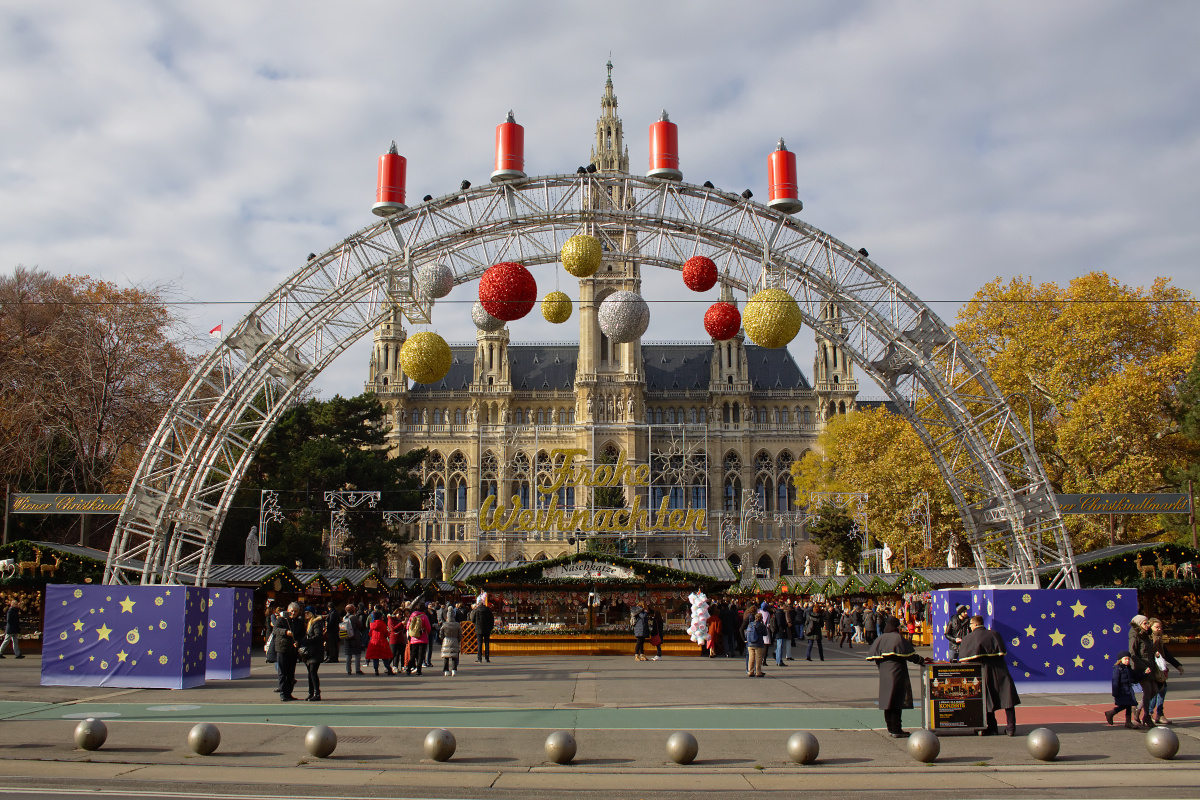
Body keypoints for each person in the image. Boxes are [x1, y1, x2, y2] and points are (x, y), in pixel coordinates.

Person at [957, 615, 1020, 735]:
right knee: (1008, 699)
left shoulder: (969, 638)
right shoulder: (994, 634)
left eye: (970, 624)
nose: (970, 626)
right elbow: (1002, 652)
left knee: (987, 699)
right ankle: (1011, 728)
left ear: (975, 625)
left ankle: (992, 727)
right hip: (1000, 670)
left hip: (984, 671)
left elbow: (965, 660)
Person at [866, 617, 924, 737]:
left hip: (884, 674)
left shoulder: (880, 638)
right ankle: (897, 729)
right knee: (897, 702)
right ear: (896, 626)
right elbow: (909, 655)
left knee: (887, 701)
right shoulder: (897, 638)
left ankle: (890, 728)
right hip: (897, 673)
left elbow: (874, 657)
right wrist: (921, 660)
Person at [1148, 618, 1184, 725]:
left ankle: (1159, 714)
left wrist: (1178, 665)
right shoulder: (1148, 639)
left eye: (1160, 627)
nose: (1159, 629)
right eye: (1156, 627)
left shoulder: (1159, 639)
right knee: (1155, 692)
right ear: (1150, 627)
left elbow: (1167, 654)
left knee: (1163, 690)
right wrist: (1153, 654)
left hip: (1160, 669)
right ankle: (1149, 713)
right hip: (1151, 669)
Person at [1128, 614, 1158, 727]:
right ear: (1139, 624)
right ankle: (1147, 716)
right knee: (1148, 690)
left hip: (1150, 666)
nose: (1147, 625)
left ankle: (1137, 710)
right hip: (1141, 668)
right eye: (1145, 623)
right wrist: (1144, 667)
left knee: (1155, 690)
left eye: (1147, 623)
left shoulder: (1146, 635)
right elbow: (1133, 654)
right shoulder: (1135, 635)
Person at [273, 602, 305, 701]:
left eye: (295, 611)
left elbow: (302, 635)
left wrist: (298, 642)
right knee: (283, 672)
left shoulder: (299, 622)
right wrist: (285, 632)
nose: (293, 613)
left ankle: (289, 693)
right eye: (292, 611)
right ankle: (283, 693)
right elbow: (276, 630)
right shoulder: (281, 620)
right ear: (288, 610)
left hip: (292, 650)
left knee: (291, 673)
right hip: (282, 648)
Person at [1105, 651, 1140, 728]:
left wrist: (1144, 674)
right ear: (1120, 660)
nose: (1127, 661)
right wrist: (1115, 693)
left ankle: (1128, 722)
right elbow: (1115, 681)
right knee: (1123, 705)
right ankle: (1111, 713)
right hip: (1122, 691)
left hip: (1128, 690)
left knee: (1128, 706)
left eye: (1128, 659)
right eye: (1125, 659)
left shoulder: (1128, 669)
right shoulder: (1118, 669)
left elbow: (1134, 678)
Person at [302, 607, 325, 701]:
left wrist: (307, 640)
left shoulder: (316, 623)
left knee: (313, 672)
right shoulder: (310, 623)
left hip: (316, 651)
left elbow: (318, 636)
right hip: (311, 652)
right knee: (310, 673)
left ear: (311, 613)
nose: (305, 615)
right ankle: (311, 693)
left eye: (307, 613)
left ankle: (316, 693)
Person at [365, 610, 394, 675]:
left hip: (373, 642)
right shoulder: (382, 623)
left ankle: (376, 671)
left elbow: (370, 634)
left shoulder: (371, 624)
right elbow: (386, 633)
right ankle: (389, 669)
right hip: (382, 641)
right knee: (385, 657)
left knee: (375, 657)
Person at [406, 603, 430, 675]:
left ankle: (408, 669)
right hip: (422, 638)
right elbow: (428, 627)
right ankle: (418, 671)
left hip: (413, 638)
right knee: (420, 655)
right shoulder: (424, 616)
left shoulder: (412, 616)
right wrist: (426, 633)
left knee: (413, 654)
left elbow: (408, 626)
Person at [745, 607, 769, 677]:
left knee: (751, 658)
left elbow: (746, 632)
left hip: (750, 644)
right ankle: (758, 672)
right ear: (761, 618)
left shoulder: (750, 624)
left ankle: (750, 671)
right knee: (758, 658)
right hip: (758, 643)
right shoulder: (761, 625)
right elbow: (765, 633)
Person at [342, 604, 364, 675]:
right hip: (355, 637)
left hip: (347, 637)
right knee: (357, 653)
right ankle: (357, 669)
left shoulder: (344, 618)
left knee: (348, 654)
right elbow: (360, 626)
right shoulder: (354, 618)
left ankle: (348, 670)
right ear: (353, 610)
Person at [441, 611, 462, 675]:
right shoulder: (457, 625)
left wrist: (443, 639)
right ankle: (454, 669)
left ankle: (446, 670)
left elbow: (441, 634)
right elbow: (460, 634)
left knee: (446, 656)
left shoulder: (444, 624)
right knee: (454, 656)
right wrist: (458, 640)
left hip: (446, 640)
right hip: (455, 640)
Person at [388, 607, 406, 674]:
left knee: (398, 654)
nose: (400, 616)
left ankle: (395, 666)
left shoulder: (401, 620)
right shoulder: (391, 620)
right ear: (395, 613)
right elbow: (393, 629)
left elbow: (403, 630)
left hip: (400, 639)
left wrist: (404, 625)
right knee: (392, 654)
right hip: (393, 639)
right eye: (399, 614)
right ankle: (387, 665)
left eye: (401, 614)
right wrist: (401, 624)